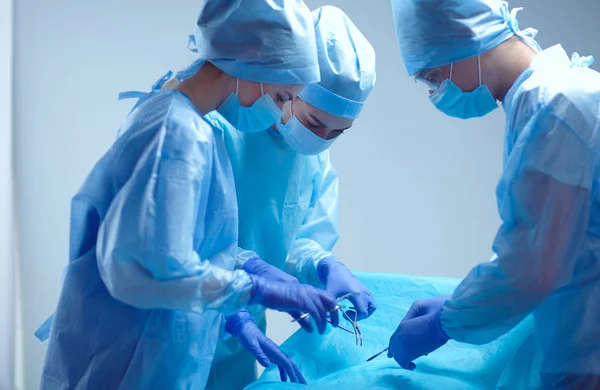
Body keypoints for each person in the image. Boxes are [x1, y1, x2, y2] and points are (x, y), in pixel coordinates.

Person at [35, 1, 342, 389]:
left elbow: (174, 243)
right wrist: (251, 288)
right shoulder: (178, 133)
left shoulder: (175, 118)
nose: (277, 111)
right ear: (251, 64)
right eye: (281, 97)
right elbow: (144, 270)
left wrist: (251, 266)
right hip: (127, 362)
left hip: (141, 353)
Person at [388, 0, 600, 387]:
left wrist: (445, 322)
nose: (436, 91)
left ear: (467, 37)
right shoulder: (544, 99)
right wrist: (460, 306)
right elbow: (544, 234)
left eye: (433, 76)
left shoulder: (557, 107)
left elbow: (534, 266)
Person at [201, 6, 377, 388]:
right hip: (183, 319)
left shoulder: (313, 160)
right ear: (288, 89)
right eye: (314, 122)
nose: (320, 139)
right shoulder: (216, 129)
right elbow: (185, 243)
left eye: (336, 131)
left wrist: (322, 264)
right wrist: (241, 296)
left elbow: (295, 235)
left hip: (239, 336)